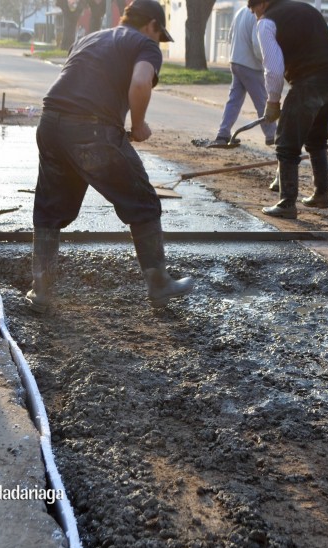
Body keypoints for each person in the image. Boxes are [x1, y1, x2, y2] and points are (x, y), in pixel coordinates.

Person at [27, 0, 193, 313]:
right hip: (92, 130)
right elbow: (142, 81)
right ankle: (159, 286)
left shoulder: (89, 38)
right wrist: (138, 124)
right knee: (143, 202)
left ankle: (41, 291)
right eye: (159, 35)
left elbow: (79, 80)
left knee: (49, 210)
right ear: (152, 26)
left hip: (50, 124)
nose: (158, 41)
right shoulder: (145, 44)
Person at [250, 0, 328, 219]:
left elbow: (273, 69)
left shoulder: (266, 23)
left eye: (254, 10)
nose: (255, 16)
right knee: (316, 137)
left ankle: (286, 204)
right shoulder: (307, 8)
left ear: (263, 3)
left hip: (310, 80)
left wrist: (273, 102)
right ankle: (321, 194)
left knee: (286, 141)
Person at [209, 6, 276, 147]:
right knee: (262, 102)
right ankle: (272, 136)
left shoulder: (241, 11)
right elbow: (258, 45)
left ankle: (223, 134)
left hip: (236, 61)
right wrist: (266, 60)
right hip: (250, 65)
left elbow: (229, 36)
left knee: (234, 100)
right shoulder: (258, 14)